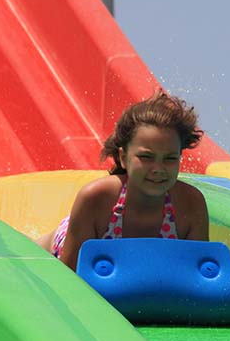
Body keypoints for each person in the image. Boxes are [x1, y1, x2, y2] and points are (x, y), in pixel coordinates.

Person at [37, 90, 210, 271]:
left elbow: (197, 278)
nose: (158, 169)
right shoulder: (96, 198)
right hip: (62, 249)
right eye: (146, 157)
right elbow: (69, 279)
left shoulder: (190, 204)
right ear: (123, 157)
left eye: (170, 159)